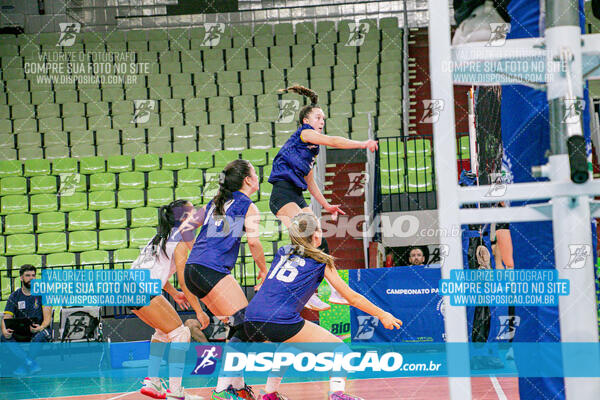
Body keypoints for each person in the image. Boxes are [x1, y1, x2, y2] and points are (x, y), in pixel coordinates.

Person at [243, 213, 403, 400]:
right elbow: (352, 297)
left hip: (251, 317)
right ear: (316, 236)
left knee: (288, 346)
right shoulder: (321, 260)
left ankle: (269, 393)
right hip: (279, 320)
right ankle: (337, 394)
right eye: (319, 228)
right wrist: (382, 314)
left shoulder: (283, 252)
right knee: (340, 350)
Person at [268, 85, 378, 310]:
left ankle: (336, 291)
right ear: (306, 120)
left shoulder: (310, 150)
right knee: (304, 239)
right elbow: (334, 141)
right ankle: (303, 292)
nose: (322, 121)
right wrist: (361, 144)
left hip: (296, 194)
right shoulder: (304, 134)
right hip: (282, 194)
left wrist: (326, 205)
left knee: (319, 237)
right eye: (318, 117)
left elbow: (310, 181)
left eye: (324, 118)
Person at [183, 159, 267, 400]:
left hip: (194, 270)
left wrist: (197, 253)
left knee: (240, 327)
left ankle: (237, 386)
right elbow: (254, 242)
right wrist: (263, 271)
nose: (258, 177)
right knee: (248, 326)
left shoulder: (216, 202)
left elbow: (187, 227)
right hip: (211, 270)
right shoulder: (247, 206)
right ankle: (221, 389)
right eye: (255, 173)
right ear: (248, 180)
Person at [131, 200, 209, 400]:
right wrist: (199, 311)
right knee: (181, 334)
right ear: (184, 218)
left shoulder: (160, 237)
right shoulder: (181, 239)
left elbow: (154, 270)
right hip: (143, 289)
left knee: (163, 331)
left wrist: (173, 293)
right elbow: (184, 280)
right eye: (192, 212)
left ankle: (153, 381)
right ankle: (175, 392)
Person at [1, 264, 52, 376]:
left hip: (40, 329)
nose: (31, 278)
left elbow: (47, 319)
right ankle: (29, 362)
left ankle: (24, 364)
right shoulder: (14, 296)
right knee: (4, 336)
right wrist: (4, 330)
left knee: (41, 335)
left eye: (33, 275)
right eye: (27, 275)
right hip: (22, 331)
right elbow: (6, 317)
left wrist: (41, 327)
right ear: (21, 278)